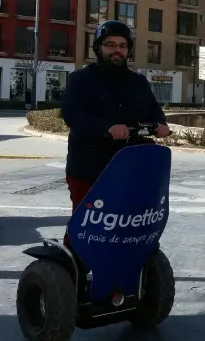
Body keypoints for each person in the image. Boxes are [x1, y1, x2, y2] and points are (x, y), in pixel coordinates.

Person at [60, 20, 170, 242]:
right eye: (110, 44)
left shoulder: (138, 82)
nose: (117, 50)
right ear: (98, 47)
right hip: (89, 168)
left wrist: (160, 125)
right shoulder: (80, 80)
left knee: (127, 223)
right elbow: (72, 115)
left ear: (128, 49)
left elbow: (153, 111)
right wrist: (106, 128)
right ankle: (73, 266)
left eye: (122, 45)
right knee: (87, 224)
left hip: (129, 168)